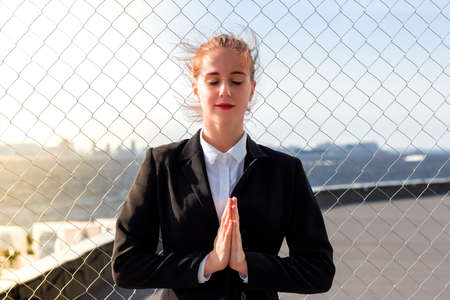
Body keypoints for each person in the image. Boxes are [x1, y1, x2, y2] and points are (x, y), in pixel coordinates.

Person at [111, 33, 335, 300]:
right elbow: (126, 265)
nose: (225, 90)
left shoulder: (285, 172)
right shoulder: (162, 164)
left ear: (251, 89)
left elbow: (319, 270)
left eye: (237, 80)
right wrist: (206, 264)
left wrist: (247, 265)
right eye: (213, 80)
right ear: (196, 88)